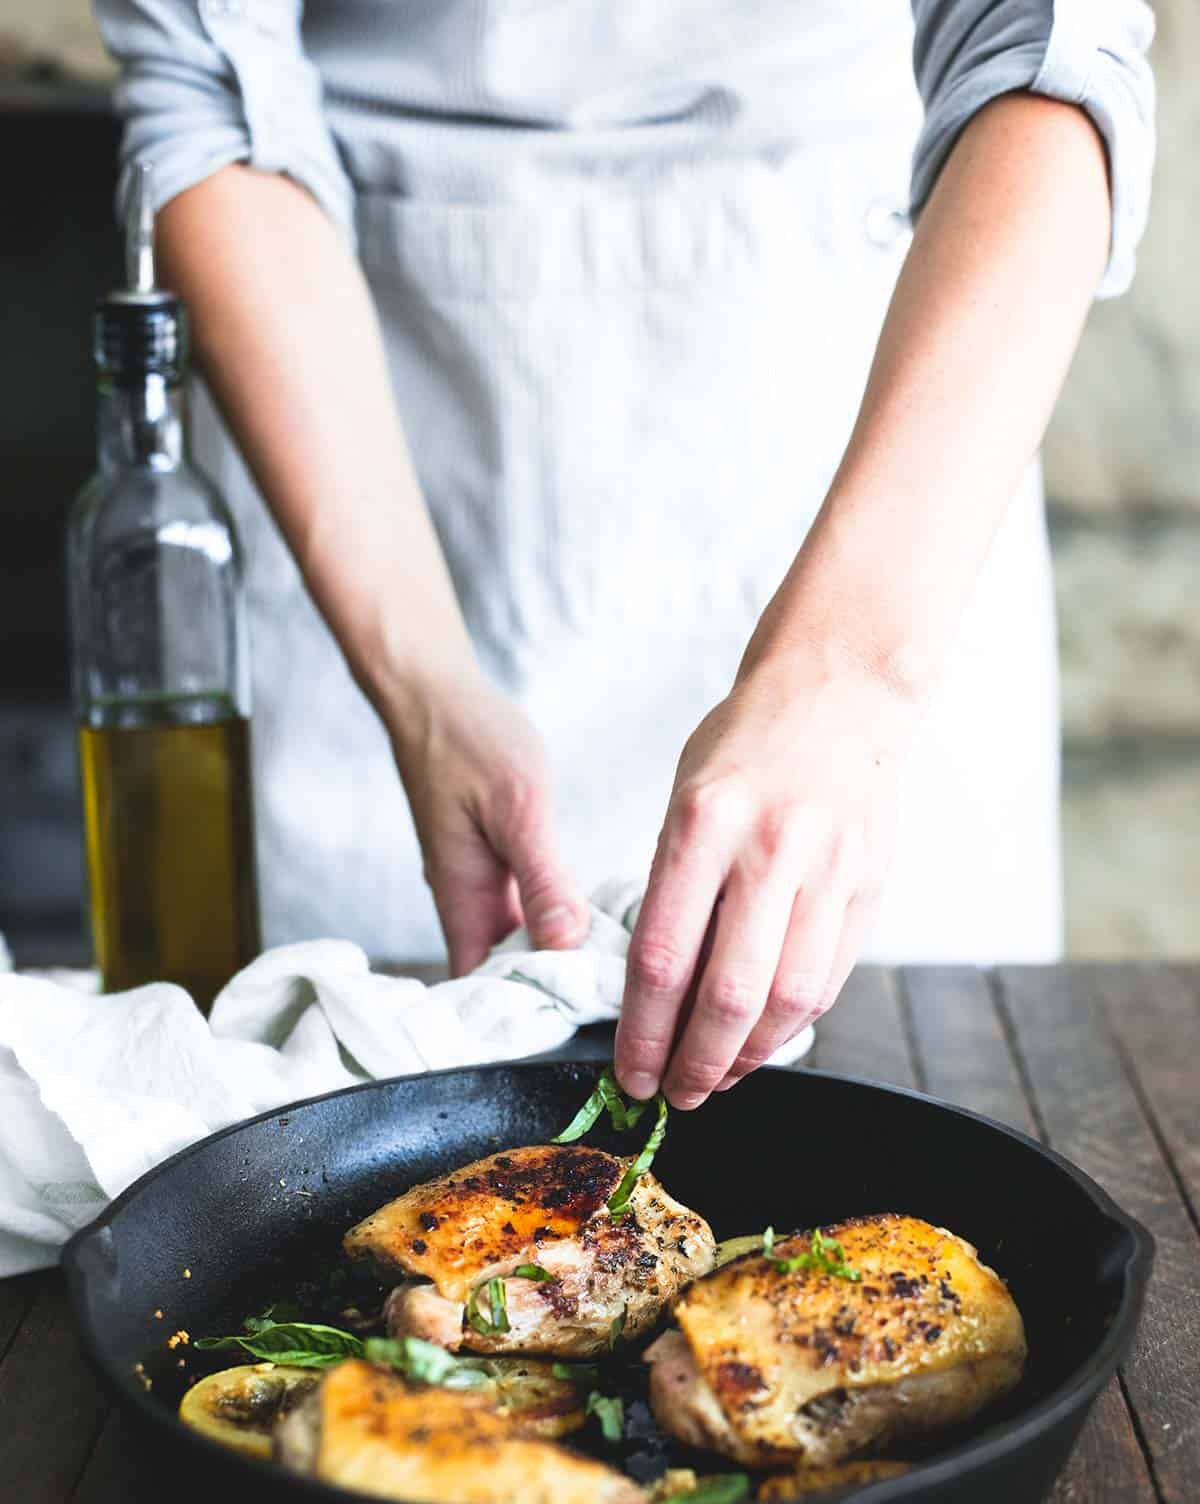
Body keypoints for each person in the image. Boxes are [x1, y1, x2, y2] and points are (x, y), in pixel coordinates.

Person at [95, 2, 1154, 1110]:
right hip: (362, 420)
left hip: (879, 430)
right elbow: (208, 87)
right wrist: (422, 691)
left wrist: (847, 673)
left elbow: (1053, 53)